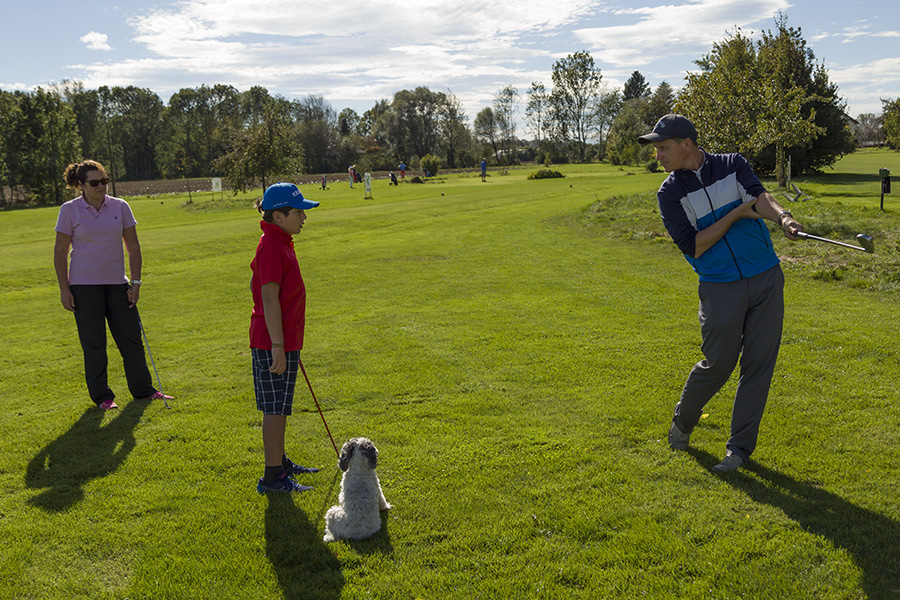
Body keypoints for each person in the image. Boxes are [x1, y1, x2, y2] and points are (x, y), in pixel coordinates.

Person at [638, 114, 803, 473]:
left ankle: (739, 451)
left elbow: (759, 199)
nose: (658, 156)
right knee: (719, 363)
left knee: (758, 365)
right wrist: (735, 215)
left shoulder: (732, 165)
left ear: (687, 144)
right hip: (719, 285)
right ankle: (684, 420)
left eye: (663, 148)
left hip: (765, 277)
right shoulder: (669, 193)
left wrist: (783, 218)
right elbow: (693, 245)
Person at [54, 160, 174, 410]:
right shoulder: (69, 210)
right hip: (84, 288)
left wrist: (137, 282)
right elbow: (60, 251)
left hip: (119, 285)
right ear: (80, 185)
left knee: (131, 341)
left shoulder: (120, 206)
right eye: (94, 183)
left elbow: (133, 247)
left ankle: (144, 391)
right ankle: (103, 397)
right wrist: (64, 289)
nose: (101, 186)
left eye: (104, 181)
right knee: (94, 344)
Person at [251, 182, 321, 493]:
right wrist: (278, 346)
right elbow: (268, 298)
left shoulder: (283, 242)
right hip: (272, 343)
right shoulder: (271, 246)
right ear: (278, 216)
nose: (304, 217)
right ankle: (272, 477)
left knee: (281, 405)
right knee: (275, 408)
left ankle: (279, 461)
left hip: (284, 341)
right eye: (298, 212)